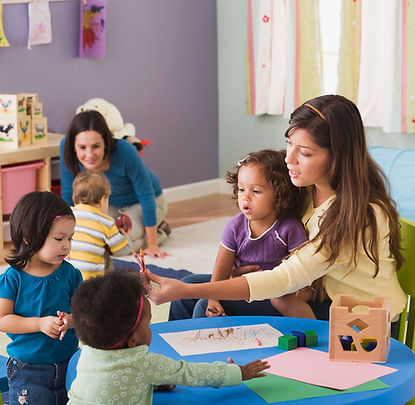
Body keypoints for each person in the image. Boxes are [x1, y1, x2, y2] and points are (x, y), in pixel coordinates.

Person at [146, 95, 407, 331]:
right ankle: (170, 369)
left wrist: (185, 289)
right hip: (314, 296)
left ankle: (206, 375)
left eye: (304, 152)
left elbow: (284, 279)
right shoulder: (305, 191)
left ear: (337, 157)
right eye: (289, 144)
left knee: (204, 303)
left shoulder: (357, 215)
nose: (289, 159)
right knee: (190, 292)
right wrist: (203, 284)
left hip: (358, 323)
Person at [67, 270, 270, 404]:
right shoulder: (142, 363)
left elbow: (114, 381)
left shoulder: (88, 352)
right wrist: (237, 372)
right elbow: (191, 373)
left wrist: (154, 383)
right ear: (132, 340)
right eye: (147, 324)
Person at [171, 149, 319, 321]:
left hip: (272, 294)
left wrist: (211, 301)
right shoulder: (234, 227)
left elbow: (302, 274)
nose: (245, 198)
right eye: (241, 189)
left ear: (280, 195)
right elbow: (222, 268)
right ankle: (170, 343)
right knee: (187, 285)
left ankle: (199, 346)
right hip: (241, 284)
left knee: (204, 305)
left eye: (256, 191)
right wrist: (214, 298)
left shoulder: (289, 228)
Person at [0, 191, 83, 405]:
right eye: (59, 238)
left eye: (70, 238)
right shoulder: (13, 278)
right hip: (29, 369)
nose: (67, 245)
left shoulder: (71, 274)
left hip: (71, 362)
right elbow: (3, 319)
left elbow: (85, 311)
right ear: (29, 237)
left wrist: (71, 320)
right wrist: (39, 323)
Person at [60, 109, 170, 259]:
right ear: (73, 145)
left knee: (116, 245)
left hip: (145, 203)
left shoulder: (125, 151)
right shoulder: (65, 147)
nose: (90, 155)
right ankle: (149, 230)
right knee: (93, 239)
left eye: (96, 146)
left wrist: (152, 245)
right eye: (82, 147)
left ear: (106, 142)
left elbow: (146, 195)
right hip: (107, 204)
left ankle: (160, 232)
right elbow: (67, 194)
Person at [67, 170, 131, 280]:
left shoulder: (67, 214)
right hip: (92, 284)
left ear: (74, 198)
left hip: (67, 279)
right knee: (107, 259)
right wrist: (127, 238)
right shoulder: (106, 222)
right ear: (102, 200)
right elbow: (122, 251)